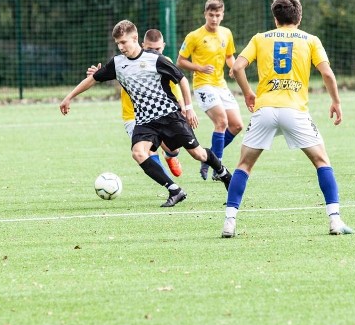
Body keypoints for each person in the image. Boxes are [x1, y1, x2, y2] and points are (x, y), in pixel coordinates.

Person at [222, 0, 354, 238]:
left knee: (244, 165)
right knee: (321, 162)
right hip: (295, 111)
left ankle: (229, 222)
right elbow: (327, 74)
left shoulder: (260, 39)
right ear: (299, 17)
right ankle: (335, 221)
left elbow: (236, 67)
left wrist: (249, 93)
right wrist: (336, 101)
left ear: (275, 18)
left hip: (265, 110)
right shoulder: (311, 40)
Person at [61, 20, 232, 208]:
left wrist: (189, 108)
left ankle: (224, 174)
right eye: (118, 43)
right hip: (145, 121)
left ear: (135, 38)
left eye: (124, 42)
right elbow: (92, 79)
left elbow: (181, 79)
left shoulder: (155, 59)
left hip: (169, 116)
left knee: (198, 154)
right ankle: (175, 190)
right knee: (138, 153)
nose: (121, 47)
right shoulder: (118, 64)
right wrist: (69, 97)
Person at [176, 0, 243, 181]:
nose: (214, 19)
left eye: (217, 15)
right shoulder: (194, 36)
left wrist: (233, 67)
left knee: (237, 125)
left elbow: (230, 56)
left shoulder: (226, 33)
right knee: (221, 121)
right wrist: (199, 68)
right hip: (203, 85)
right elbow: (180, 61)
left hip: (220, 85)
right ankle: (218, 169)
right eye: (211, 15)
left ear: (222, 15)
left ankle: (208, 159)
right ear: (205, 14)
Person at [118, 29, 182, 178]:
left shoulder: (164, 62)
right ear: (142, 45)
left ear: (164, 46)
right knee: (147, 150)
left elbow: (175, 89)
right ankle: (171, 186)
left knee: (174, 149)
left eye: (158, 49)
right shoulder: (126, 60)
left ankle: (170, 155)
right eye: (149, 49)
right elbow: (107, 73)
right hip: (134, 116)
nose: (154, 53)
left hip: (159, 112)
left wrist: (182, 108)